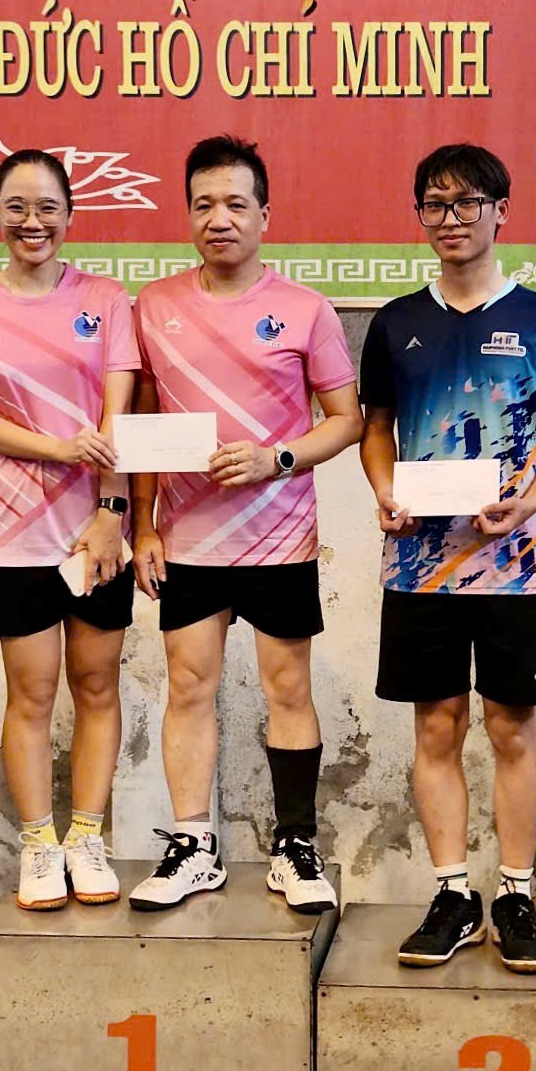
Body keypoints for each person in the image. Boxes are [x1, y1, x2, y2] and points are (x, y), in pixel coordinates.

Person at [360, 144, 536, 972]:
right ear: (420, 216)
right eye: (435, 204)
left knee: (511, 727)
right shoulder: (395, 323)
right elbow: (376, 430)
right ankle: (454, 894)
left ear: (501, 211)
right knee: (436, 725)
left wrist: (530, 502)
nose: (450, 219)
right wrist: (384, 490)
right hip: (418, 565)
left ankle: (517, 896)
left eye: (467, 204)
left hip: (516, 564)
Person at [129, 135, 362, 911]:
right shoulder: (153, 307)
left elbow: (348, 420)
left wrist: (277, 459)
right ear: (187, 215)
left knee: (286, 686)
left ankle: (294, 847)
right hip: (188, 539)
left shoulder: (304, 310)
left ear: (265, 215)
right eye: (203, 205)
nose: (219, 218)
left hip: (280, 537)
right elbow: (141, 424)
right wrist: (142, 527)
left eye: (235, 203)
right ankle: (193, 846)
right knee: (188, 686)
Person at [0, 149, 141, 911]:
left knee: (97, 685)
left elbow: (120, 416)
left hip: (96, 532)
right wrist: (60, 448)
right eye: (17, 206)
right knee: (31, 693)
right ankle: (39, 846)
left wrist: (111, 514)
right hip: (12, 533)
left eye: (48, 207)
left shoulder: (107, 300)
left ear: (69, 214)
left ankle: (87, 838)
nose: (33, 221)